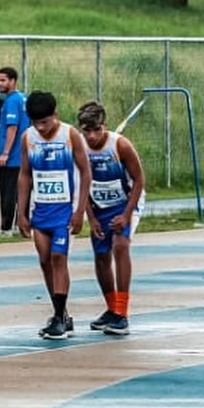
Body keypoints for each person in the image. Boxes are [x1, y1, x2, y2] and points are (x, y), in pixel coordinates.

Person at [17, 91, 90, 341]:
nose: (41, 127)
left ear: (55, 116)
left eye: (45, 122)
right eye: (36, 123)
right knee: (45, 260)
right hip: (41, 211)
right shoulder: (28, 138)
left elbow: (85, 171)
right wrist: (22, 212)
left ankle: (58, 318)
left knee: (59, 257)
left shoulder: (70, 135)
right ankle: (62, 312)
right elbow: (25, 175)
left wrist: (80, 210)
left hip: (65, 212)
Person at [77, 102, 146, 336]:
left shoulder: (120, 145)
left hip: (125, 202)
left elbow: (139, 180)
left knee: (120, 246)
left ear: (104, 126)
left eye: (96, 130)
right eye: (86, 131)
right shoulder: (79, 147)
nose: (92, 136)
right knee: (101, 255)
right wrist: (91, 218)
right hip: (98, 206)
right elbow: (82, 184)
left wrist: (127, 215)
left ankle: (122, 313)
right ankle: (111, 307)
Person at [0, 66, 29, 232]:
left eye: (3, 80)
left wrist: (5, 153)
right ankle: (21, 223)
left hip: (13, 157)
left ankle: (7, 227)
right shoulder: (23, 99)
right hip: (22, 156)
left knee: (8, 191)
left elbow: (12, 128)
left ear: (13, 81)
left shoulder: (12, 101)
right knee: (21, 192)